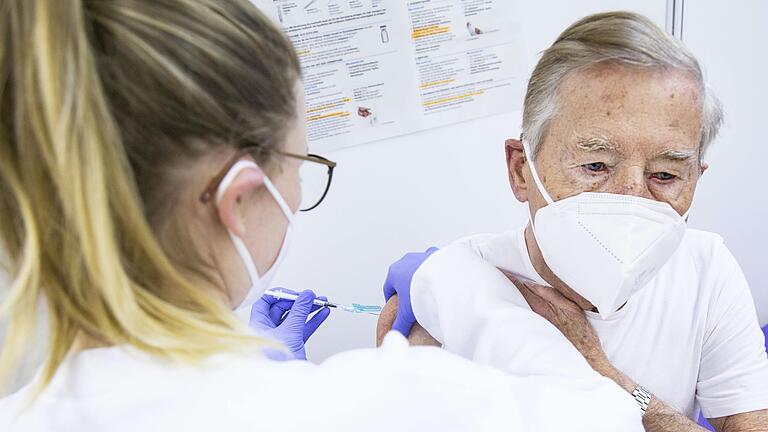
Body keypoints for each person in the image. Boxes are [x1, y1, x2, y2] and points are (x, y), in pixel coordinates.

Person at [0, 1, 644, 431]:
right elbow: (606, 416)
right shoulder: (373, 404)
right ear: (238, 197)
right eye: (301, 161)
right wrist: (461, 288)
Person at [379, 11, 768, 432]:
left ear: (696, 178)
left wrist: (602, 374)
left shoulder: (705, 269)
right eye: (595, 164)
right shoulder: (451, 297)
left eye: (665, 175)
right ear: (520, 170)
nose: (630, 199)